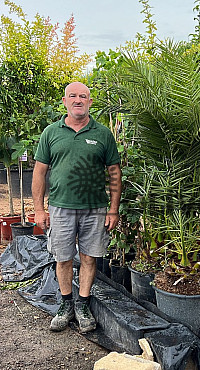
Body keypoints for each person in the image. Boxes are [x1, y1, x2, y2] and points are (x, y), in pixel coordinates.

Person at [32, 81, 122, 333]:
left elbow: (114, 172)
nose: (78, 100)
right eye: (72, 96)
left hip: (95, 208)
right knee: (62, 258)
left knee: (89, 257)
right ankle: (65, 305)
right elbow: (39, 173)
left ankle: (82, 305)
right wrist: (39, 209)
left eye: (83, 96)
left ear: (90, 102)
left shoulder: (103, 134)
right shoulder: (51, 132)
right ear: (65, 101)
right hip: (60, 207)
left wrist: (113, 209)